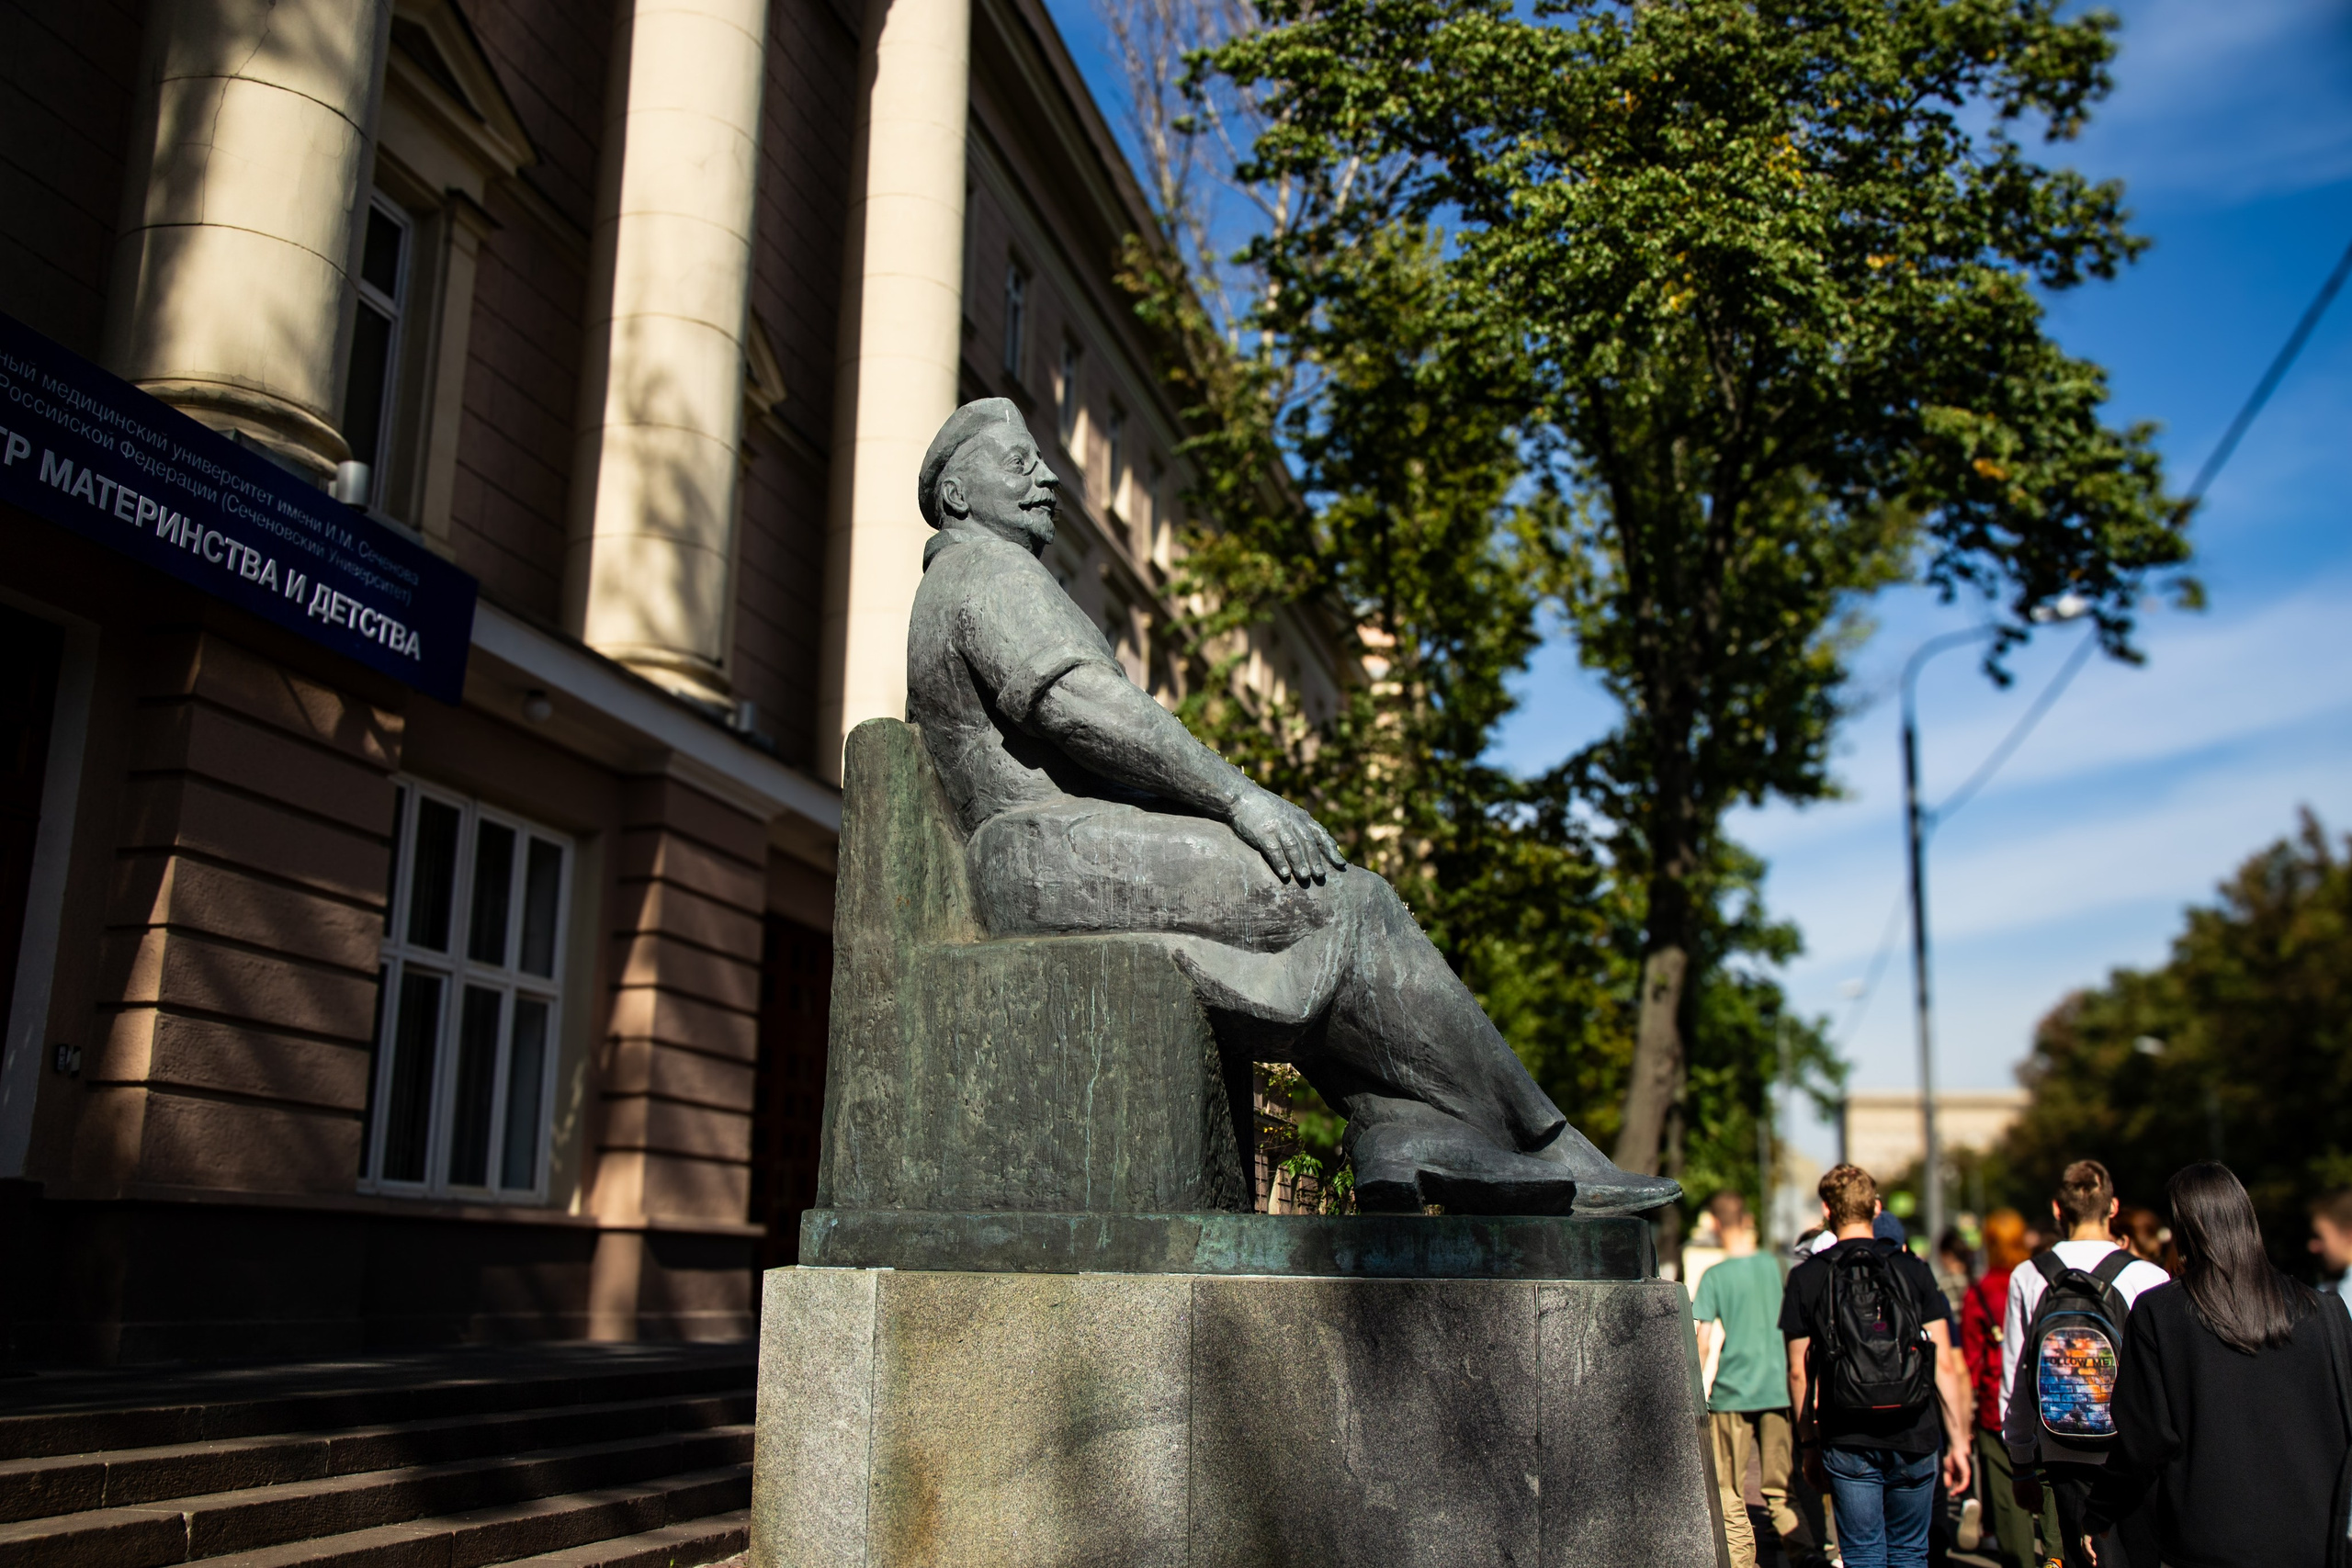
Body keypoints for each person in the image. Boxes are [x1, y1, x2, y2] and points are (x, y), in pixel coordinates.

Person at [903, 399, 1679, 1215]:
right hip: (1053, 857)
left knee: (1337, 902)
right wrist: (1241, 798)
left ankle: (1418, 1132)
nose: (1048, 477)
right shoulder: (985, 571)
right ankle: (1522, 1142)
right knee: (1342, 898)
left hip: (1049, 853)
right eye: (1021, 463)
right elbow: (1083, 707)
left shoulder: (970, 577)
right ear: (958, 495)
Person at [2085, 1162, 2352, 1565]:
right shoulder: (2327, 1313)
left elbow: (2143, 1441)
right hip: (2318, 1537)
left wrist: (2100, 1511)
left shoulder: (2161, 1313)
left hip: (2208, 1540)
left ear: (2183, 1230)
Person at [1783, 1164, 1972, 1568]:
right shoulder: (1913, 1269)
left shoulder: (1807, 1277)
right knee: (1909, 1552)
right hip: (1915, 1431)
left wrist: (1808, 1444)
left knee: (1863, 1554)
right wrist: (1958, 1443)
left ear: (1827, 1210)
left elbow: (1799, 1371)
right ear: (1876, 1207)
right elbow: (1945, 1366)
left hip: (1846, 1432)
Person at [2001, 1161, 2169, 1568]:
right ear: (2113, 1207)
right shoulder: (2147, 1276)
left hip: (2062, 1446)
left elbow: (2014, 1380)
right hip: (2130, 1452)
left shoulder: (2028, 1275)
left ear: (2058, 1210)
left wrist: (2022, 1464)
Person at [1696, 1190, 1822, 1567]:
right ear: (1747, 1219)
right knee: (1781, 1491)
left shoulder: (1714, 1276)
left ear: (1716, 1224)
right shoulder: (1778, 1268)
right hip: (1777, 1390)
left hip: (1732, 1394)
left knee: (1729, 1491)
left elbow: (1703, 1342)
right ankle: (1806, 1556)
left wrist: (1695, 1391)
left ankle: (1742, 1563)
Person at [1959, 1210, 2046, 1568]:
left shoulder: (1979, 1292)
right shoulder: (2042, 1281)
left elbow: (1971, 1363)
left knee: (2011, 1505)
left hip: (1998, 1409)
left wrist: (1964, 1423)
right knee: (2052, 1499)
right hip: (2048, 1405)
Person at [2309, 1187, 2352, 1314]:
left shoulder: (2345, 1298)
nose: (2313, 1246)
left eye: (2319, 1236)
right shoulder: (2332, 1289)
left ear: (2348, 1235)